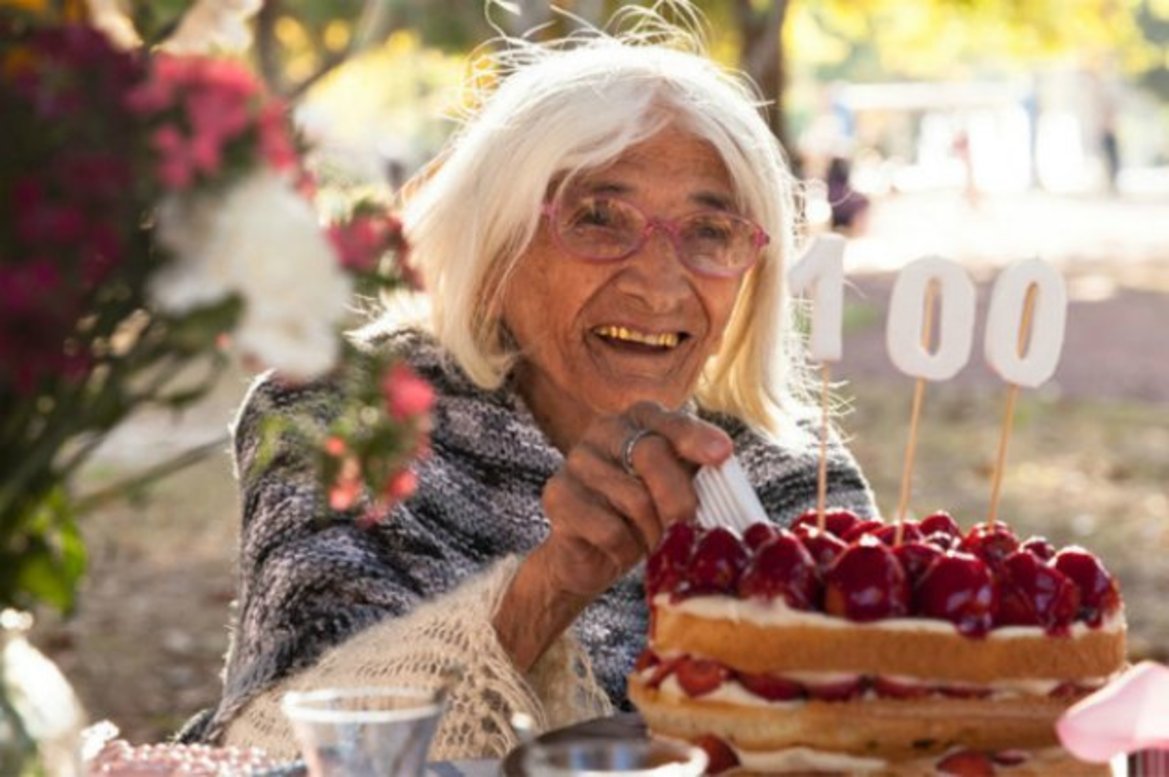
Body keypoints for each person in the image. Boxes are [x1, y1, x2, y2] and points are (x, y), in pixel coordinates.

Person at [182, 17, 877, 762]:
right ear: (494, 245)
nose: (658, 286)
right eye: (598, 217)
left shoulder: (790, 476)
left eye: (710, 231)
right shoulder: (343, 416)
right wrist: (549, 585)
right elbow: (288, 742)